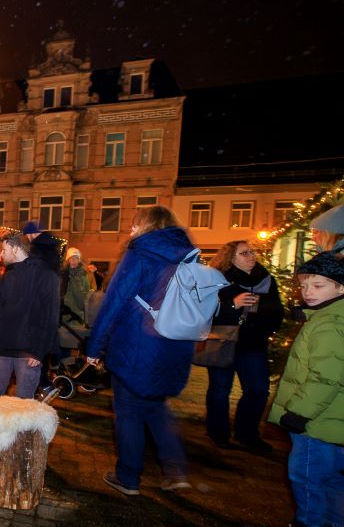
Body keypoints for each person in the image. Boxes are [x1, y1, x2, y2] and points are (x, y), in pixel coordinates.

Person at [86, 205, 196, 496]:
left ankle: (128, 476)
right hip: (173, 344)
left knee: (129, 412)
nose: (131, 231)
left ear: (147, 226)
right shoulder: (188, 256)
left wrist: (95, 345)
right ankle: (175, 469)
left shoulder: (140, 253)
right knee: (157, 407)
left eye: (135, 225)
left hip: (137, 343)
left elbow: (115, 301)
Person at [258, 249, 344, 527]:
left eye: (318, 286)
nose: (308, 292)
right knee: (333, 475)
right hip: (334, 421)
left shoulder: (330, 325)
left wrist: (299, 413)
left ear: (340, 288)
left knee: (306, 474)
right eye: (305, 286)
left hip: (316, 421)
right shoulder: (331, 317)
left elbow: (326, 376)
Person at [205, 240, 284, 451]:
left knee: (258, 390)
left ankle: (247, 434)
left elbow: (277, 310)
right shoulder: (216, 279)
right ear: (231, 257)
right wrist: (233, 304)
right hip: (223, 342)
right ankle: (218, 434)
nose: (251, 256)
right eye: (244, 253)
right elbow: (205, 311)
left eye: (252, 252)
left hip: (253, 344)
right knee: (220, 390)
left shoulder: (265, 279)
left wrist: (263, 324)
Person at [0, 233, 60, 400]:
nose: (1, 254)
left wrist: (39, 352)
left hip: (28, 351)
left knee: (21, 405)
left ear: (16, 248)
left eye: (4, 249)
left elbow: (51, 316)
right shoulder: (10, 274)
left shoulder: (46, 275)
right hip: (5, 347)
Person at [61, 247, 96, 324]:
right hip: (66, 311)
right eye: (71, 258)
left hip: (80, 312)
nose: (73, 260)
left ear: (79, 260)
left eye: (76, 258)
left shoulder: (85, 274)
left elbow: (92, 289)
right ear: (68, 260)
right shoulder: (63, 274)